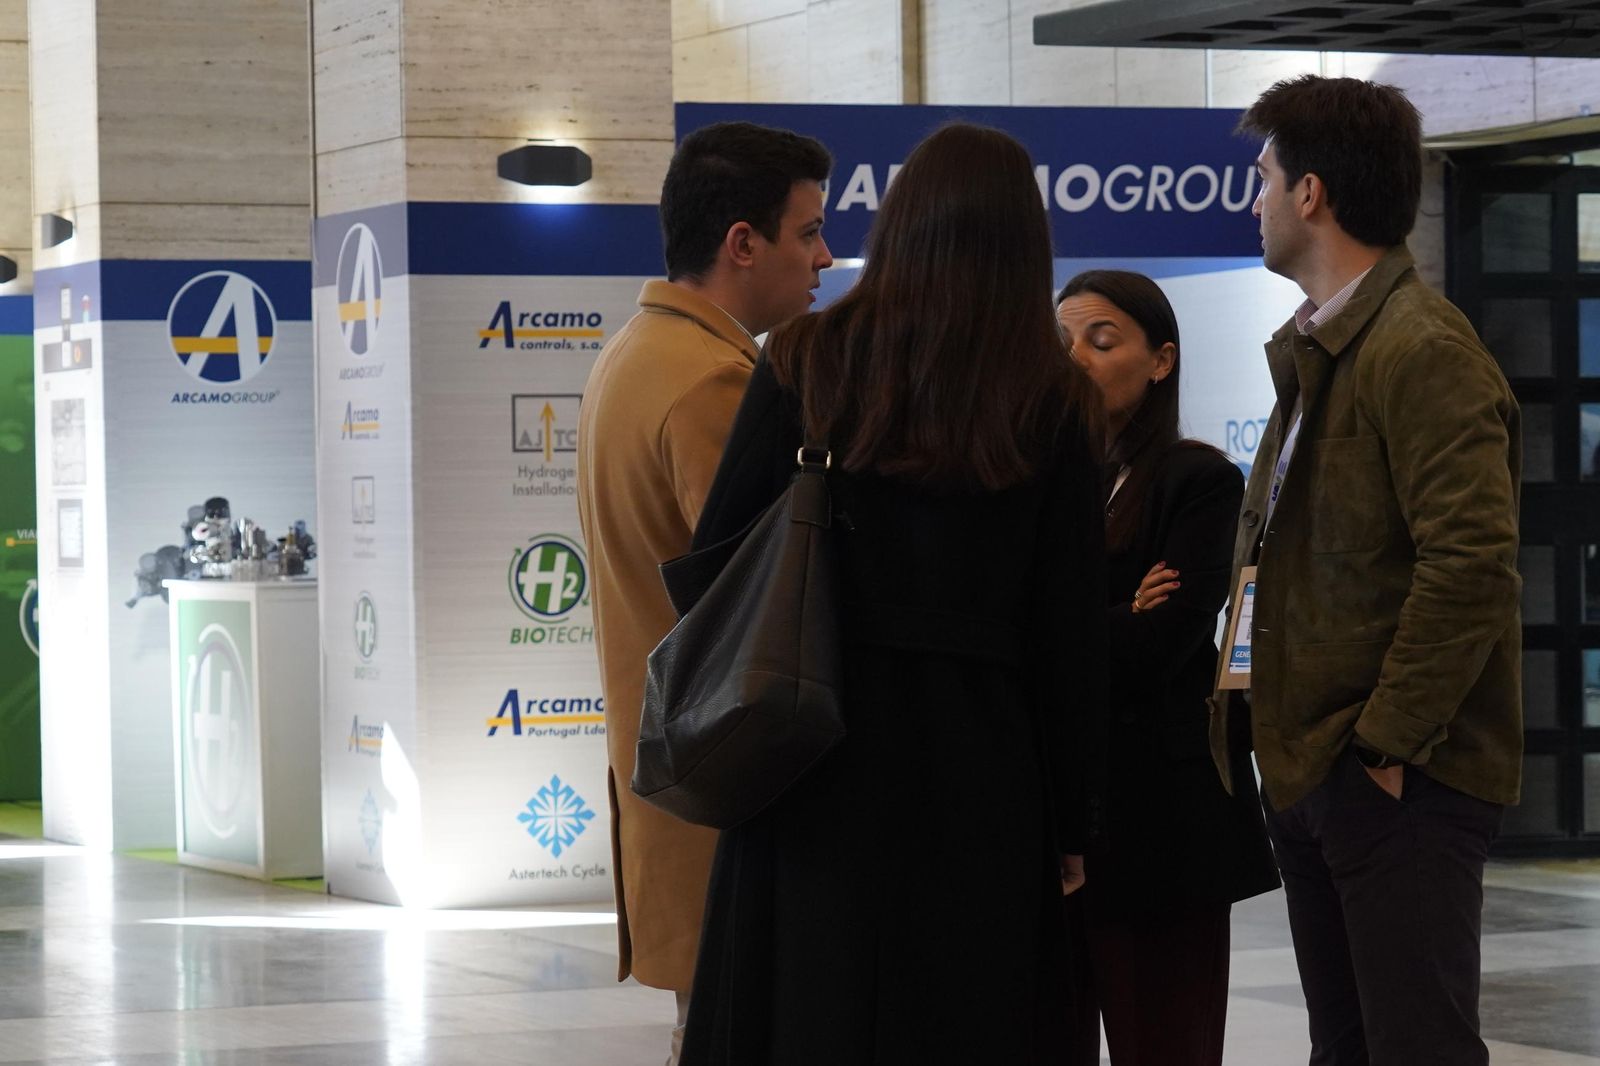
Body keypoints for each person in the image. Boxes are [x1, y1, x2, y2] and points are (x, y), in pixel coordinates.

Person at [678, 122, 1108, 1066]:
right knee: (967, 1017)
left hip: (808, 751)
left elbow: (717, 562)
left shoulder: (803, 360)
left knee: (808, 1014)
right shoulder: (1055, 398)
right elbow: (1070, 631)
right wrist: (1072, 819)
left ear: (902, 223)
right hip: (984, 767)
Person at [1211, 75, 1523, 1066]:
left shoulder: (1420, 349)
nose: (1254, 199)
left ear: (1310, 194)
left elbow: (1471, 563)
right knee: (1346, 1051)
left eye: (1263, 177)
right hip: (1318, 766)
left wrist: (1385, 743)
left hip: (1396, 777)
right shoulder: (1322, 349)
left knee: (1415, 1049)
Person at [575, 120, 833, 1066]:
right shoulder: (713, 385)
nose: (826, 257)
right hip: (731, 786)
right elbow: (772, 605)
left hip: (678, 776)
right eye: (810, 232)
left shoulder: (634, 354)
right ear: (742, 243)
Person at [1055, 271, 1279, 1066]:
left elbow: (1162, 644)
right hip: (1060, 809)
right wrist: (1116, 612)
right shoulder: (1044, 479)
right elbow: (1011, 632)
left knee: (1166, 1041)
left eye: (1101, 339)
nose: (1075, 358)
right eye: (1063, 341)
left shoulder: (1198, 479)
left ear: (1161, 360)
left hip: (1161, 823)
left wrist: (1071, 628)